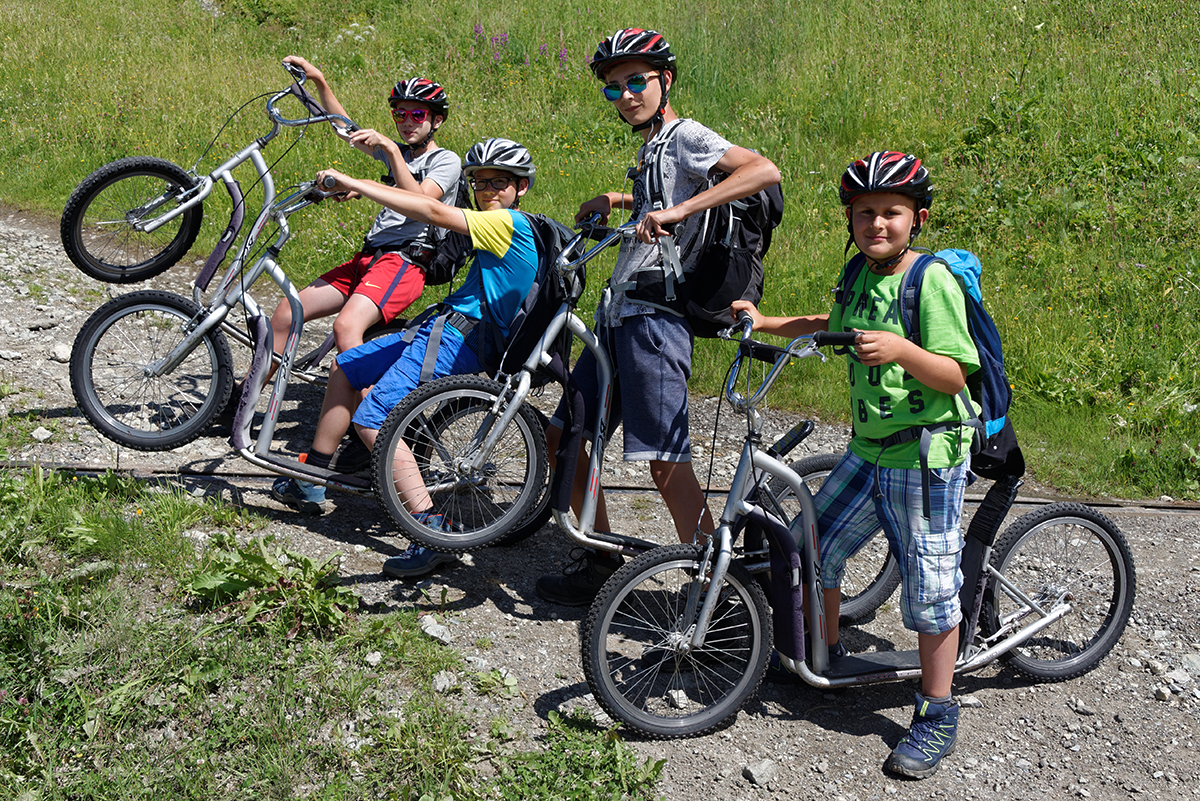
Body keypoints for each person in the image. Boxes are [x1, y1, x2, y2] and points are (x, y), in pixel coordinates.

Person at [732, 151, 978, 779]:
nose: (877, 224)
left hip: (926, 454)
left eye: (891, 212)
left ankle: (938, 710)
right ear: (850, 219)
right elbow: (831, 325)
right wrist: (766, 321)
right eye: (865, 212)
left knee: (930, 587)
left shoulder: (931, 282)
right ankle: (826, 652)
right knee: (812, 546)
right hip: (868, 450)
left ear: (917, 219)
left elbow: (954, 373)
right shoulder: (858, 274)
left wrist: (901, 349)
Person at [532, 28, 781, 606]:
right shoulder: (653, 147)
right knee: (565, 434)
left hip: (655, 320)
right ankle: (599, 558)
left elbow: (763, 170)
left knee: (665, 464)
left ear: (664, 80)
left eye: (636, 81)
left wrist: (679, 210)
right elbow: (657, 207)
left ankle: (723, 597)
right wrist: (617, 201)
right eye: (613, 87)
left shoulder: (685, 134)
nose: (625, 95)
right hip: (620, 312)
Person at [271, 139, 540, 578]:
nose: (487, 190)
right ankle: (311, 481)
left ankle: (430, 531)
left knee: (374, 419)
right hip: (440, 327)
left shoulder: (508, 223)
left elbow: (430, 210)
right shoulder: (500, 222)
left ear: (521, 187)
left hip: (459, 339)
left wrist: (356, 181)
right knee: (345, 367)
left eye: (499, 182)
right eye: (479, 182)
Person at [235, 56, 461, 465]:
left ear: (436, 120)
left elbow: (421, 202)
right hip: (369, 259)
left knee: (346, 328)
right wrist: (319, 80)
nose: (406, 122)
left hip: (405, 262)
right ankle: (242, 406)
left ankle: (376, 428)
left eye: (417, 114)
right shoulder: (400, 155)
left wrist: (388, 152)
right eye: (399, 114)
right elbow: (344, 127)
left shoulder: (445, 161)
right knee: (286, 312)